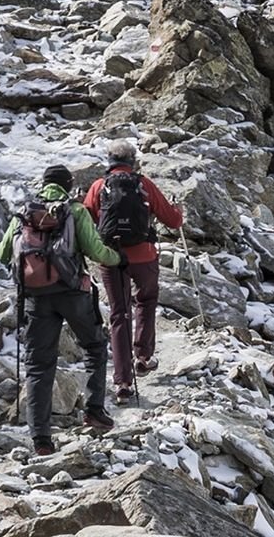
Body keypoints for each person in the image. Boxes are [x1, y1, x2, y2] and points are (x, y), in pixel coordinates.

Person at [0, 163, 120, 453]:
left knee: (39, 365)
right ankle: (94, 410)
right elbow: (95, 251)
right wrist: (118, 258)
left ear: (43, 183)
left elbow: (2, 254)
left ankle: (40, 438)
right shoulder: (74, 211)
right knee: (94, 346)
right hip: (72, 292)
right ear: (67, 184)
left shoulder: (24, 213)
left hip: (36, 297)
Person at [84, 140, 184, 401]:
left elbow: (88, 220)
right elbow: (173, 220)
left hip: (111, 258)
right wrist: (179, 211)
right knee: (147, 300)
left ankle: (123, 383)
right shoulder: (144, 184)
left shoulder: (98, 186)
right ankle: (143, 356)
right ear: (133, 161)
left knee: (119, 314)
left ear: (109, 161)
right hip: (144, 255)